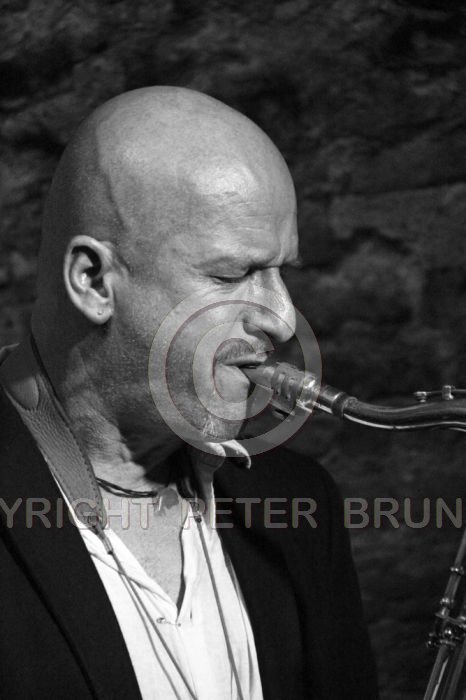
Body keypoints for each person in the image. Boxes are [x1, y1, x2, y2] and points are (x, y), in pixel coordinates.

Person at [0, 87, 378, 699]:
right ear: (93, 281)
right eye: (231, 274)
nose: (284, 320)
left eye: (282, 271)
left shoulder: (302, 501)